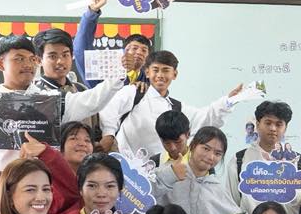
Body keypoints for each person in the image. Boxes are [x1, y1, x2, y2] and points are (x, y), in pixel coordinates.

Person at [0, 35, 124, 168]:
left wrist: (119, 74)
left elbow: (92, 101)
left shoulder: (51, 101)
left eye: (32, 59)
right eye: (19, 59)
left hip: (44, 180)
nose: (28, 65)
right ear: (0, 64)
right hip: (1, 179)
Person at [100, 49, 240, 160]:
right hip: (124, 169)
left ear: (175, 74)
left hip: (159, 172)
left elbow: (206, 118)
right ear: (147, 72)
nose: (160, 75)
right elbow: (109, 110)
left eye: (166, 70)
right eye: (155, 70)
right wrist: (108, 134)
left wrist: (228, 101)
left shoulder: (177, 108)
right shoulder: (133, 92)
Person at [152, 126, 239, 214]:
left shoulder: (217, 188)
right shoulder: (169, 173)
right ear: (192, 146)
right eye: (206, 148)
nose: (211, 157)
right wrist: (171, 175)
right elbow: (143, 195)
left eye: (218, 153)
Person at [224, 100, 301, 214]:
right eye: (268, 123)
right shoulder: (239, 160)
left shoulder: (298, 162)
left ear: (285, 128)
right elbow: (231, 206)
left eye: (279, 124)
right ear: (257, 125)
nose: (273, 128)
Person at [72, 0, 150, 88]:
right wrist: (92, 12)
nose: (139, 52)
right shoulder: (105, 73)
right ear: (124, 51)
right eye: (134, 48)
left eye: (144, 50)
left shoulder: (150, 80)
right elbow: (81, 50)